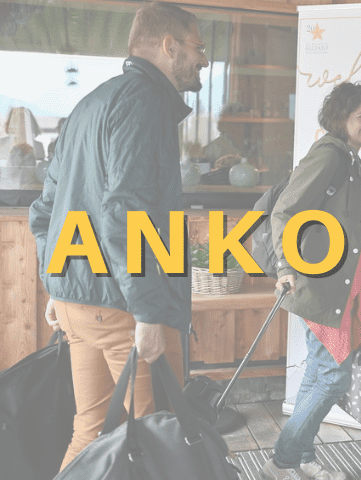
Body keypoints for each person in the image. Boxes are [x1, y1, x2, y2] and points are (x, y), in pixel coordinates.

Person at [28, 2, 208, 470]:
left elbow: (45, 210)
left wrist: (57, 282)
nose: (204, 59)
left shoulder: (90, 104)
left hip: (80, 301)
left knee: (89, 431)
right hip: (123, 306)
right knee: (157, 441)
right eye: (198, 47)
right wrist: (148, 313)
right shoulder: (145, 102)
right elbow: (126, 214)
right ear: (169, 46)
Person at [265, 82, 361, 480]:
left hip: (346, 290)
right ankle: (281, 462)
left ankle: (302, 459)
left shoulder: (353, 163)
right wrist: (285, 266)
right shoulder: (329, 155)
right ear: (341, 118)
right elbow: (285, 212)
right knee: (334, 377)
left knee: (318, 374)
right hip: (322, 288)